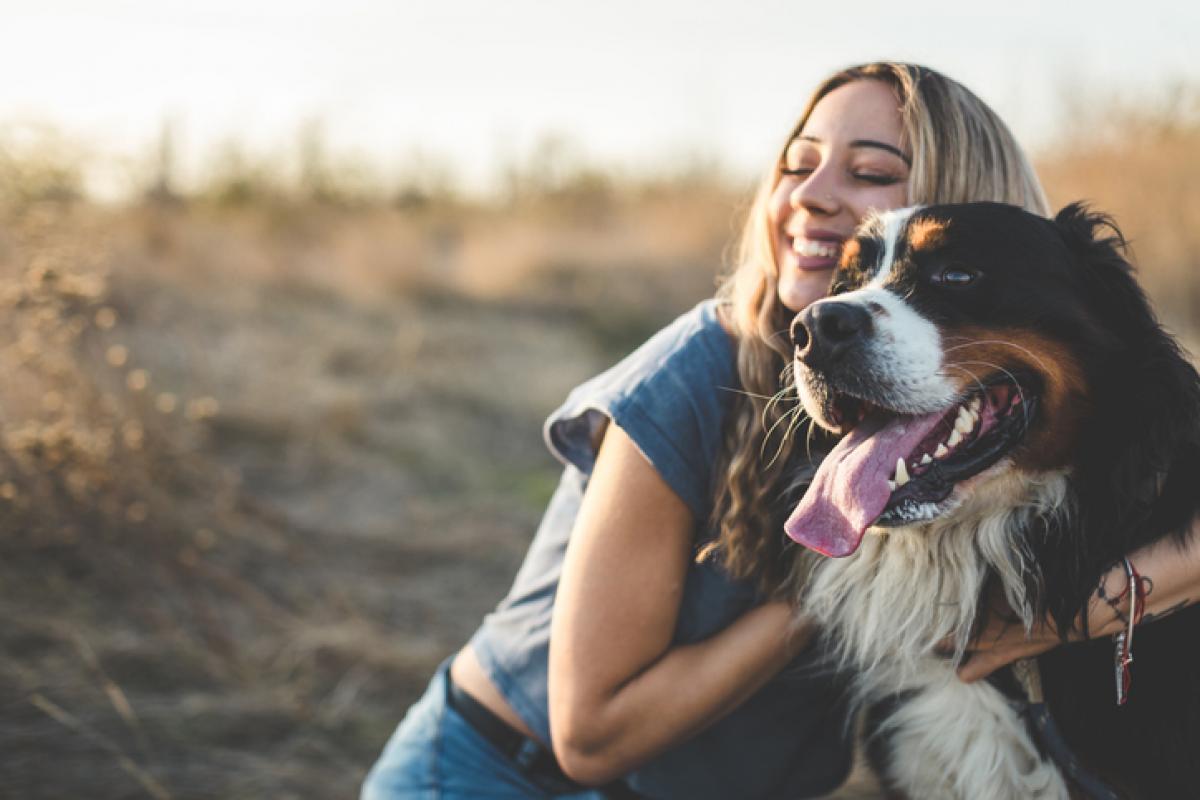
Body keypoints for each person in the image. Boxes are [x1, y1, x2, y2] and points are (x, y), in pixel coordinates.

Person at [362, 62, 1200, 799]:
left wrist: (1106, 599)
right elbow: (589, 736)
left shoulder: (970, 378)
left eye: (869, 169)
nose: (811, 193)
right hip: (503, 777)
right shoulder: (699, 371)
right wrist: (848, 576)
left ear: (968, 192)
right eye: (796, 164)